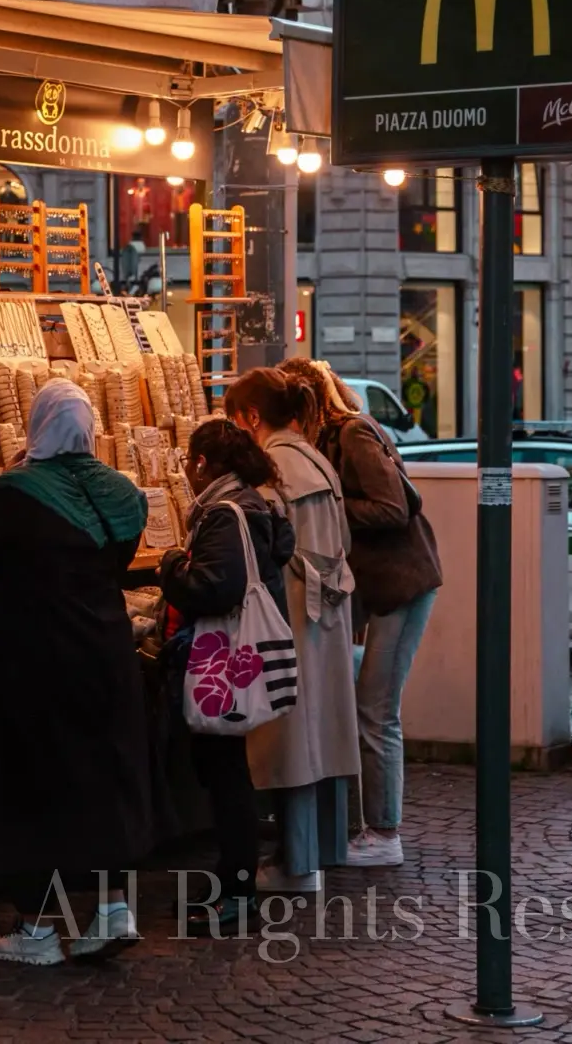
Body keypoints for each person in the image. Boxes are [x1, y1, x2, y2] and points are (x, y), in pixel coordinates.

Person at [0, 379, 152, 965]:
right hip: (105, 652)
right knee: (102, 778)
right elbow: (116, 559)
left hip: (31, 657)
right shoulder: (123, 494)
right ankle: (113, 908)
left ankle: (35, 929)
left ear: (37, 426)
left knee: (31, 781)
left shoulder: (14, 492)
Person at [286, 361, 443, 869]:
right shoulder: (341, 433)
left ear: (308, 404)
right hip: (380, 586)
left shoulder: (352, 433)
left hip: (400, 583)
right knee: (369, 705)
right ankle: (370, 823)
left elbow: (391, 507)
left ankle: (384, 831)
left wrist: (329, 507)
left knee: (376, 709)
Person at [221, 367, 359, 893]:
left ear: (251, 417)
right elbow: (342, 537)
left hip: (293, 616)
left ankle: (296, 865)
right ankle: (320, 854)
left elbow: (265, 549)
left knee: (293, 741)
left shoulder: (272, 467)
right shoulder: (316, 458)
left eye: (235, 420)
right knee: (321, 734)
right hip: (327, 613)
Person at [158, 418, 294, 934]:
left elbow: (214, 587)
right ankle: (231, 880)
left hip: (223, 659)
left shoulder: (224, 512)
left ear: (204, 463)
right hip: (240, 659)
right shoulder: (257, 503)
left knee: (225, 774)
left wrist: (171, 565)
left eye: (192, 462)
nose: (189, 473)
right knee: (227, 771)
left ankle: (237, 890)